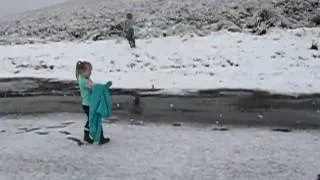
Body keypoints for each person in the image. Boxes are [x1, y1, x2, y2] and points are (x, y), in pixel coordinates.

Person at [75, 61, 110, 144]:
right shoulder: (83, 81)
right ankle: (99, 138)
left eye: (91, 71)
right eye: (89, 71)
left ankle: (88, 136)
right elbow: (93, 88)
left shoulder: (86, 79)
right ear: (82, 71)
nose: (91, 73)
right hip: (88, 105)